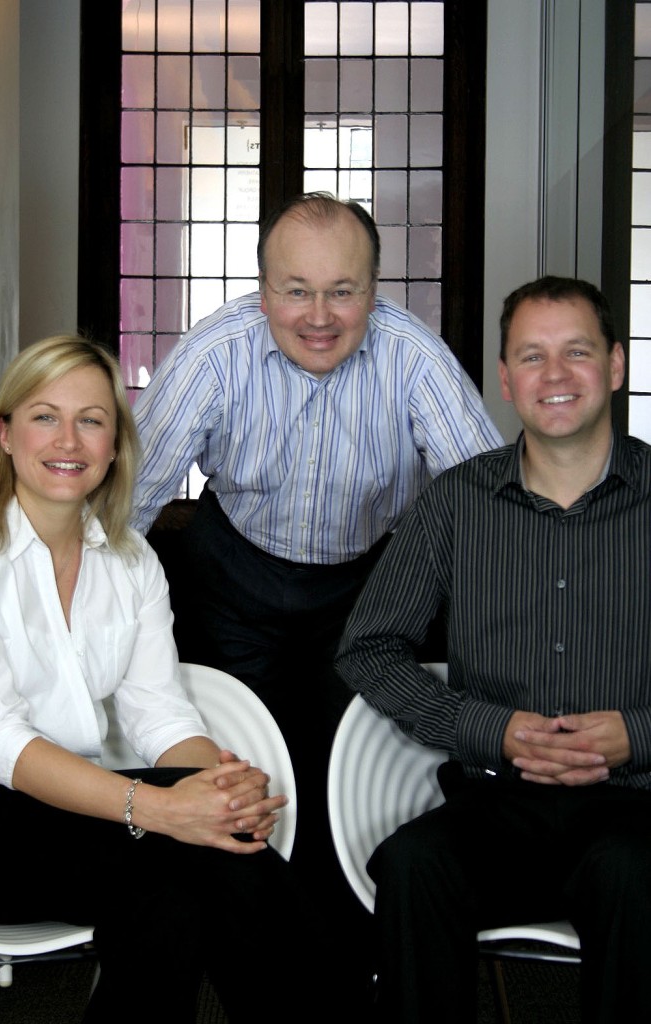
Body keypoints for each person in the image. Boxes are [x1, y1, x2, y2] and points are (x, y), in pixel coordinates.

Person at [130, 192, 503, 974]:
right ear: (262, 288)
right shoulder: (212, 354)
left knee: (347, 779)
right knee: (236, 769)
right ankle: (246, 956)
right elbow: (123, 506)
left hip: (365, 585)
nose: (318, 315)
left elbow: (486, 509)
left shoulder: (414, 357)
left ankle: (344, 965)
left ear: (375, 288)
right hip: (231, 575)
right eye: (295, 290)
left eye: (343, 290)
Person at [0, 335, 343, 1023]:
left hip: (83, 822)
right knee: (204, 859)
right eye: (44, 415)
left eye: (92, 419)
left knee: (175, 894)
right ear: (4, 434)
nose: (69, 438)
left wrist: (213, 789)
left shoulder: (130, 565)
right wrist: (160, 808)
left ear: (115, 445)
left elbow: (161, 717)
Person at [335, 275, 651, 1023]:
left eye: (575, 352)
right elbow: (367, 648)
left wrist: (636, 732)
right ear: (505, 380)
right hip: (497, 801)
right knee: (415, 866)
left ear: (613, 365)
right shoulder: (455, 500)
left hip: (637, 809)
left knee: (634, 875)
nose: (555, 375)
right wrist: (491, 729)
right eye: (531, 357)